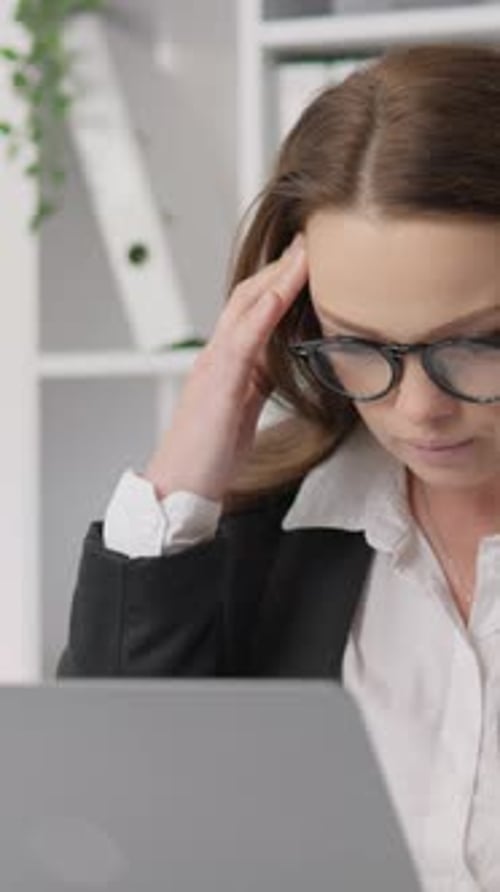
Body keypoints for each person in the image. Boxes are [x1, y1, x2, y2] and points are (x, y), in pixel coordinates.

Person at [58, 42, 500, 890]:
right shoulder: (262, 539)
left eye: (475, 343)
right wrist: (190, 457)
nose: (417, 410)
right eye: (360, 346)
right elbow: (105, 820)